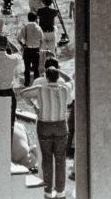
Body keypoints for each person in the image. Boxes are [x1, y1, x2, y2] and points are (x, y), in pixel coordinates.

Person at [18, 67, 72, 199]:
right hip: (60, 126)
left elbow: (23, 93)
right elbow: (70, 80)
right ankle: (61, 192)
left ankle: (48, 191)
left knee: (47, 159)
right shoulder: (65, 89)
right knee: (60, 160)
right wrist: (60, 72)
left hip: (45, 125)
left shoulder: (40, 89)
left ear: (46, 77)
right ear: (57, 78)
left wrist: (35, 106)